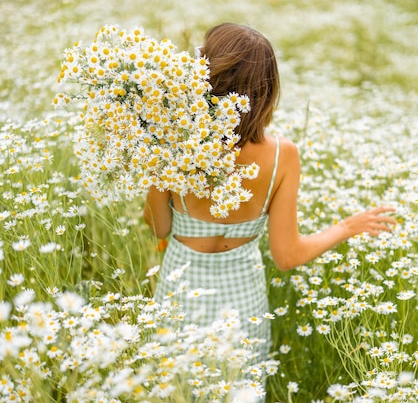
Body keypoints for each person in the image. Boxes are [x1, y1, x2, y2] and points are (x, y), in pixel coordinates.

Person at [143, 22, 396, 357]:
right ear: (266, 90)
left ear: (205, 74)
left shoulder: (171, 141)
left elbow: (159, 227)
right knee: (238, 401)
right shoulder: (282, 155)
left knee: (174, 399)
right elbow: (287, 256)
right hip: (243, 308)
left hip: (178, 301)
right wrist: (347, 227)